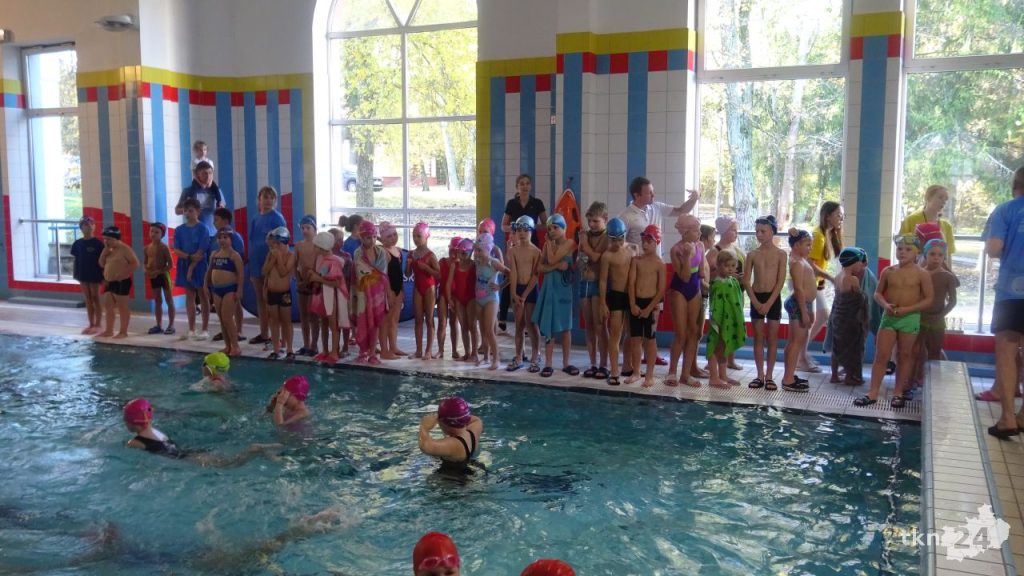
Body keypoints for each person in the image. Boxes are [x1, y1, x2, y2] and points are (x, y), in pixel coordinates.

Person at [854, 235, 934, 408]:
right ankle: (873, 392)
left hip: (910, 318)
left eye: (908, 249)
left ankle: (898, 392)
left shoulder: (922, 274)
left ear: (917, 253)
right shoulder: (888, 271)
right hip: (889, 317)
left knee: (904, 356)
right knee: (881, 355)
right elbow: (877, 293)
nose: (903, 252)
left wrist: (908, 309)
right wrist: (885, 305)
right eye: (899, 249)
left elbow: (929, 299)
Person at [982, 166, 1024, 438]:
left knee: (1007, 349)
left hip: (1013, 290)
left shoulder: (1006, 210)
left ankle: (1008, 418)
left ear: (1015, 185)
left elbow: (994, 248)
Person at [123, 398, 279, 465]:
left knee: (230, 464)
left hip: (189, 459)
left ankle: (255, 449)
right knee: (230, 461)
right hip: (191, 452)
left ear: (130, 422)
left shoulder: (134, 442)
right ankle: (262, 452)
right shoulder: (158, 432)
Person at [743, 215, 786, 390]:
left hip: (773, 299)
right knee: (758, 338)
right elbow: (746, 280)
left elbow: (780, 281)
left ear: (772, 232)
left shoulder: (781, 254)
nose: (759, 234)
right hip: (757, 297)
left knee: (772, 338)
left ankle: (769, 376)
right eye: (757, 231)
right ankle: (760, 375)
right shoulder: (752, 254)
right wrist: (755, 301)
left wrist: (768, 303)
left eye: (763, 231)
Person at [532, 214, 578, 378]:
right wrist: (557, 266)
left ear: (564, 228)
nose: (551, 231)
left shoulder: (570, 243)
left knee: (566, 327)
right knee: (549, 327)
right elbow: (540, 268)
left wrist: (550, 250)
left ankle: (566, 363)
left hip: (564, 290)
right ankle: (548, 364)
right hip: (550, 289)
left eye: (555, 228)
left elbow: (551, 259)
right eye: (549, 228)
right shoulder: (548, 245)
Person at [501, 174, 548, 333]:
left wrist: (530, 226)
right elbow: (503, 226)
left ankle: (530, 321)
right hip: (516, 245)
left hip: (532, 246)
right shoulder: (511, 204)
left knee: (530, 278)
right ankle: (503, 317)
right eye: (522, 184)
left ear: (531, 186)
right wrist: (517, 227)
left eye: (527, 183)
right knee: (511, 276)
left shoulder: (537, 203)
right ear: (517, 186)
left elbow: (546, 225)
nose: (525, 186)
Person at [802, 201, 843, 373]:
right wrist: (830, 278)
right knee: (809, 320)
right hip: (805, 282)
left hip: (814, 282)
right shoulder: (818, 236)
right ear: (827, 216)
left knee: (821, 316)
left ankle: (801, 354)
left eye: (841, 215)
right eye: (838, 215)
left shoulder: (826, 234)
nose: (841, 218)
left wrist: (822, 281)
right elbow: (809, 264)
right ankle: (800, 356)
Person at [666, 214, 704, 388]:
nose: (699, 233)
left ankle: (686, 374)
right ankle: (672, 372)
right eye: (696, 230)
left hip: (694, 289)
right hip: (679, 289)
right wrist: (687, 256)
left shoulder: (700, 245)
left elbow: (701, 273)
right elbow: (684, 276)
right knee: (681, 333)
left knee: (693, 332)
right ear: (686, 232)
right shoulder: (676, 249)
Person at [627, 225, 667, 388]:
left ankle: (649, 375)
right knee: (635, 339)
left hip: (651, 305)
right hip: (636, 303)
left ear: (657, 242)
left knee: (650, 340)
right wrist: (632, 304)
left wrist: (649, 308)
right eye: (643, 241)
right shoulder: (636, 261)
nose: (645, 244)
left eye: (649, 242)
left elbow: (661, 290)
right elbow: (631, 284)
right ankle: (636, 372)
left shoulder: (660, 264)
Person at [914, 239, 958, 386]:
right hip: (919, 317)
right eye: (932, 254)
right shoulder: (918, 273)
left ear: (944, 257)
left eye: (940, 255)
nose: (936, 258)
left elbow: (953, 301)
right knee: (918, 351)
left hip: (938, 320)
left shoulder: (948, 277)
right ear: (925, 255)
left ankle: (933, 380)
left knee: (935, 351)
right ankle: (918, 377)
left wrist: (940, 315)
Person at [247, 186, 287, 346]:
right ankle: (264, 334)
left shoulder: (277, 218)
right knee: (260, 299)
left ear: (275, 201)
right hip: (256, 262)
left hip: (271, 264)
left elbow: (283, 243)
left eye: (272, 198)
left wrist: (276, 263)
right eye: (265, 197)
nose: (268, 200)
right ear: (259, 200)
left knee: (272, 301)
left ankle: (278, 336)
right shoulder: (255, 218)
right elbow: (253, 241)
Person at [706, 215, 745, 371]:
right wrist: (725, 275)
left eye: (736, 230)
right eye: (733, 230)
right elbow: (707, 276)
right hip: (721, 295)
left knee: (733, 325)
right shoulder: (714, 252)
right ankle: (714, 360)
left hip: (735, 292)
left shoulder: (737, 250)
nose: (736, 233)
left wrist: (740, 278)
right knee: (720, 328)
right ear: (724, 231)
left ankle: (730, 360)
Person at [828, 247, 870, 386]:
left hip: (837, 317)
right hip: (850, 319)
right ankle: (851, 377)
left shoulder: (838, 277)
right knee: (853, 348)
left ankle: (834, 375)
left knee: (836, 346)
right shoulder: (852, 279)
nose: (862, 266)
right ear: (854, 262)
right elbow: (859, 298)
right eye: (860, 263)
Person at [780, 229, 816, 393]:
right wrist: (804, 311)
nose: (810, 248)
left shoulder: (801, 260)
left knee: (794, 342)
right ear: (796, 246)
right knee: (796, 342)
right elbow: (799, 289)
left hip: (802, 304)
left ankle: (790, 375)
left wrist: (809, 308)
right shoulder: (796, 263)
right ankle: (788, 379)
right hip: (798, 304)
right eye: (807, 245)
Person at [598, 217, 632, 385]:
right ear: (609, 238)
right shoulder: (607, 256)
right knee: (615, 335)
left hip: (631, 296)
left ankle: (628, 366)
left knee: (631, 334)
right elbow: (603, 281)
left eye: (621, 239)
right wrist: (603, 303)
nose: (618, 243)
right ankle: (614, 371)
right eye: (614, 240)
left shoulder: (632, 249)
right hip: (616, 296)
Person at [578, 202, 610, 379]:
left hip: (599, 284)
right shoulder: (586, 235)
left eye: (595, 221)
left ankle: (604, 364)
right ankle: (592, 363)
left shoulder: (607, 237)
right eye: (589, 221)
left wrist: (585, 244)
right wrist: (582, 247)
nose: (591, 225)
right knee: (589, 325)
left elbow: (597, 257)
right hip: (584, 283)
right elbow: (580, 258)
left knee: (600, 325)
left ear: (605, 219)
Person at [506, 216, 542, 372]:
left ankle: (536, 354)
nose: (521, 233)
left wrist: (525, 294)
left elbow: (535, 276)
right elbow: (513, 273)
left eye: (525, 230)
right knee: (519, 325)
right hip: (518, 289)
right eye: (519, 230)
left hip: (531, 290)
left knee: (531, 324)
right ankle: (518, 356)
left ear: (531, 231)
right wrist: (514, 293)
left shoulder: (536, 252)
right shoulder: (513, 251)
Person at [309, 231, 350, 364]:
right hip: (323, 294)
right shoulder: (320, 258)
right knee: (324, 323)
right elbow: (321, 274)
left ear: (322, 248)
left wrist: (317, 278)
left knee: (333, 324)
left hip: (332, 295)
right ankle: (325, 350)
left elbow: (336, 283)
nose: (314, 248)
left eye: (315, 246)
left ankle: (334, 351)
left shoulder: (334, 261)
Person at [706, 251, 745, 389]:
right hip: (720, 322)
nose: (730, 269)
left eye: (733, 266)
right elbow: (716, 306)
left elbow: (737, 301)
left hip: (729, 322)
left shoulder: (732, 281)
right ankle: (713, 377)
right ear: (718, 265)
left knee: (724, 348)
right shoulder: (718, 283)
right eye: (726, 265)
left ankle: (723, 376)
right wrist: (718, 323)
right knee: (715, 348)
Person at [352, 220, 389, 364]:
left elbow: (383, 275)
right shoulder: (358, 253)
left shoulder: (381, 252)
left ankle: (372, 352)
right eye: (368, 237)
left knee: (375, 323)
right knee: (363, 322)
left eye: (374, 237)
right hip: (363, 294)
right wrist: (373, 275)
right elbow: (359, 273)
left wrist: (388, 293)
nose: (372, 240)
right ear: (361, 237)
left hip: (378, 294)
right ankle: (363, 351)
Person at [174, 198, 211, 340]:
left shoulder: (203, 229)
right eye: (185, 211)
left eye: (190, 211)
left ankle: (205, 329)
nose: (187, 214)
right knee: (189, 296)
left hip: (200, 265)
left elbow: (201, 251)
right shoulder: (179, 230)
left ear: (198, 212)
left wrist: (191, 266)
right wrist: (188, 258)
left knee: (203, 295)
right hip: (185, 263)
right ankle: (191, 329)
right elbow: (177, 250)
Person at [204, 226, 244, 356]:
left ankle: (236, 347)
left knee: (227, 318)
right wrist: (205, 285)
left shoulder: (234, 255)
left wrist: (239, 290)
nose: (222, 240)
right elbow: (209, 271)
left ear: (231, 239)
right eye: (220, 238)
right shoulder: (214, 254)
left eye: (225, 237)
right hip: (217, 290)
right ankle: (227, 346)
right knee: (222, 319)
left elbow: (241, 274)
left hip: (230, 290)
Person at [418, 396, 484, 475]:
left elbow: (425, 447)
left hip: (453, 478)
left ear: (442, 422)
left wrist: (424, 427)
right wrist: (457, 414)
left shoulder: (453, 444)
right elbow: (475, 419)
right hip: (472, 466)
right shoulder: (475, 429)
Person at [209, 207, 246, 342]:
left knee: (236, 304)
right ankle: (227, 331)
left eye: (216, 220)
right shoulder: (216, 238)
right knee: (223, 312)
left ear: (225, 221)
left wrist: (238, 285)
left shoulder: (235, 237)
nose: (214, 223)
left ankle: (238, 330)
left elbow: (239, 259)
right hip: (218, 284)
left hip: (231, 281)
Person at [96, 226, 139, 339]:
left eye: (109, 239)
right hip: (109, 282)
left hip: (121, 282)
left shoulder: (125, 249)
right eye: (105, 239)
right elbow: (101, 264)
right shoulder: (108, 249)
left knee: (122, 307)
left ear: (116, 239)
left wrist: (123, 274)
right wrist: (104, 252)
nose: (106, 241)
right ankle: (109, 330)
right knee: (108, 305)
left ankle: (123, 332)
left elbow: (135, 263)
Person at [474, 233, 508, 370]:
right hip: (479, 299)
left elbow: (510, 273)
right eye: (476, 250)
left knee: (489, 330)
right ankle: (486, 358)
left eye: (479, 250)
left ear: (487, 249)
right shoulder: (477, 262)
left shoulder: (494, 262)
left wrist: (500, 286)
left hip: (491, 299)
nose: (476, 253)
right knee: (482, 330)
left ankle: (496, 359)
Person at [899, 184, 956, 268]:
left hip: (938, 271)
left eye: (946, 199)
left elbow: (948, 255)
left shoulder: (946, 226)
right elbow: (901, 250)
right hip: (914, 270)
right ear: (928, 198)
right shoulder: (910, 220)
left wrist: (949, 272)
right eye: (940, 197)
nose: (944, 201)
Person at [262, 226, 296, 360]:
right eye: (274, 244)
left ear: (285, 242)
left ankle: (290, 349)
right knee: (273, 321)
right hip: (271, 292)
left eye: (277, 244)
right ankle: (276, 349)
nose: (275, 247)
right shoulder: (271, 254)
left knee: (286, 321)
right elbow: (264, 271)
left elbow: (283, 273)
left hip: (284, 294)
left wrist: (278, 258)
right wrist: (273, 258)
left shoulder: (291, 255)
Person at [408, 222, 440, 360]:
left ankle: (428, 351)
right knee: (418, 320)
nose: (415, 239)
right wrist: (408, 265)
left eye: (418, 236)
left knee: (429, 319)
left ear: (426, 236)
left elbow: (439, 275)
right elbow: (408, 274)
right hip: (417, 288)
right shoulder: (411, 254)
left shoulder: (431, 255)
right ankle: (418, 350)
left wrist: (427, 268)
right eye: (414, 236)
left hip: (429, 288)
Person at [71, 216, 104, 335]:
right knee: (88, 299)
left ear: (94, 227)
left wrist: (103, 276)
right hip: (83, 274)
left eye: (91, 224)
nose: (89, 226)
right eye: (85, 224)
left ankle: (98, 324)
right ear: (81, 228)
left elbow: (103, 261)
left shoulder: (98, 244)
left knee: (95, 298)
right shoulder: (77, 243)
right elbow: (76, 260)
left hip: (95, 274)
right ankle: (91, 324)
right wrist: (75, 274)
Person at [379, 222, 408, 359]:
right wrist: (389, 291)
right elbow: (383, 275)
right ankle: (384, 350)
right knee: (385, 321)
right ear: (382, 239)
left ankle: (393, 347)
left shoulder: (398, 251)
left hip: (398, 289)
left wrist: (402, 289)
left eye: (395, 234)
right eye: (389, 236)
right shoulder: (383, 252)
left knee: (394, 320)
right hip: (388, 290)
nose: (393, 238)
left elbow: (399, 273)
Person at [295, 215, 321, 357]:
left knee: (314, 316)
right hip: (302, 284)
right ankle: (306, 344)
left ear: (314, 229)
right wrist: (298, 279)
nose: (305, 230)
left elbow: (321, 265)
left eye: (308, 228)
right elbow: (295, 265)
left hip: (314, 284)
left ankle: (314, 345)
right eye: (303, 228)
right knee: (303, 316)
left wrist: (316, 279)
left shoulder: (319, 245)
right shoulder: (299, 245)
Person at [175, 160, 225, 234]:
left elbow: (222, 208)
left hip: (213, 233)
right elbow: (177, 211)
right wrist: (189, 211)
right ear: (198, 174)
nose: (208, 176)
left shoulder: (217, 191)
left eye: (210, 173)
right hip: (194, 233)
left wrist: (221, 208)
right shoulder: (188, 191)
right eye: (204, 173)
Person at [448, 239, 478, 362]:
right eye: (460, 253)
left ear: (471, 253)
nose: (462, 256)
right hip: (459, 299)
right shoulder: (455, 265)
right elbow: (449, 283)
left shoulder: (474, 265)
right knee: (463, 326)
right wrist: (449, 299)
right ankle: (467, 353)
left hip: (472, 299)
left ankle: (474, 354)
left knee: (472, 326)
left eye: (465, 253)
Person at [143, 223, 175, 336]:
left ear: (162, 234)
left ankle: (171, 325)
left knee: (169, 300)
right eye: (151, 231)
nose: (153, 234)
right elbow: (145, 263)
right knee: (157, 301)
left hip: (163, 276)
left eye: (157, 232)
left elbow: (170, 265)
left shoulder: (164, 247)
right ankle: (159, 325)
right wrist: (145, 270)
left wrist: (159, 271)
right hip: (153, 277)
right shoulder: (146, 248)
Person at [436, 237, 462, 360]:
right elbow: (436, 279)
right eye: (451, 251)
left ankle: (454, 350)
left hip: (455, 296)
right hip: (443, 294)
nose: (453, 255)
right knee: (442, 322)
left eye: (456, 252)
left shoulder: (461, 265)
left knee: (453, 322)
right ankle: (440, 350)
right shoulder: (442, 262)